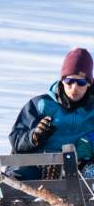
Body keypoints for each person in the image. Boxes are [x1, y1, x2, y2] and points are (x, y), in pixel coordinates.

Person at [9, 47, 94, 179]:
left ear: (89, 83)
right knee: (21, 173)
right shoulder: (40, 104)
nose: (74, 87)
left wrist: (90, 145)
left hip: (79, 168)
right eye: (69, 81)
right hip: (40, 164)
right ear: (62, 80)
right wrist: (34, 136)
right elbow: (16, 140)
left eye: (81, 82)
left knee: (90, 173)